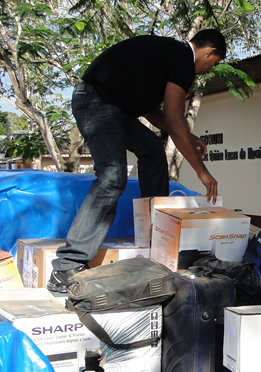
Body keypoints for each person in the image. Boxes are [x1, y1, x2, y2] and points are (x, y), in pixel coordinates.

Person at [47, 29, 227, 293]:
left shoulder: (165, 58)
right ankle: (67, 266)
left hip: (112, 105)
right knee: (112, 176)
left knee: (152, 150)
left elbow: (151, 111)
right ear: (210, 52)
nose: (209, 70)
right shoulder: (182, 59)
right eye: (214, 63)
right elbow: (174, 120)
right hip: (98, 101)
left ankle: (158, 239)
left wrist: (188, 136)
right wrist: (202, 171)